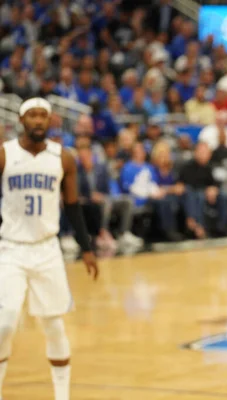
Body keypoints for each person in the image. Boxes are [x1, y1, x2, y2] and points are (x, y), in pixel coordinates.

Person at [0, 98, 99, 400]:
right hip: (11, 249)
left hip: (47, 250)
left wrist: (86, 247)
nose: (39, 120)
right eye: (33, 115)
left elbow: (72, 205)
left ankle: (61, 396)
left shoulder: (63, 157)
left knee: (54, 325)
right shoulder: (5, 154)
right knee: (5, 322)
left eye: (44, 115)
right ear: (21, 120)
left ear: (51, 120)